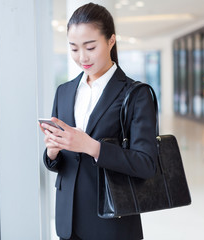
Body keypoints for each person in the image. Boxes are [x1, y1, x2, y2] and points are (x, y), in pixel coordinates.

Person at [39, 3, 157, 240]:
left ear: (111, 41)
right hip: (68, 222)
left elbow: (146, 164)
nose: (82, 57)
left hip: (112, 223)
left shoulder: (135, 94)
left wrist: (91, 146)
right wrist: (52, 153)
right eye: (73, 49)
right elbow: (62, 163)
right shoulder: (64, 91)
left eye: (90, 47)